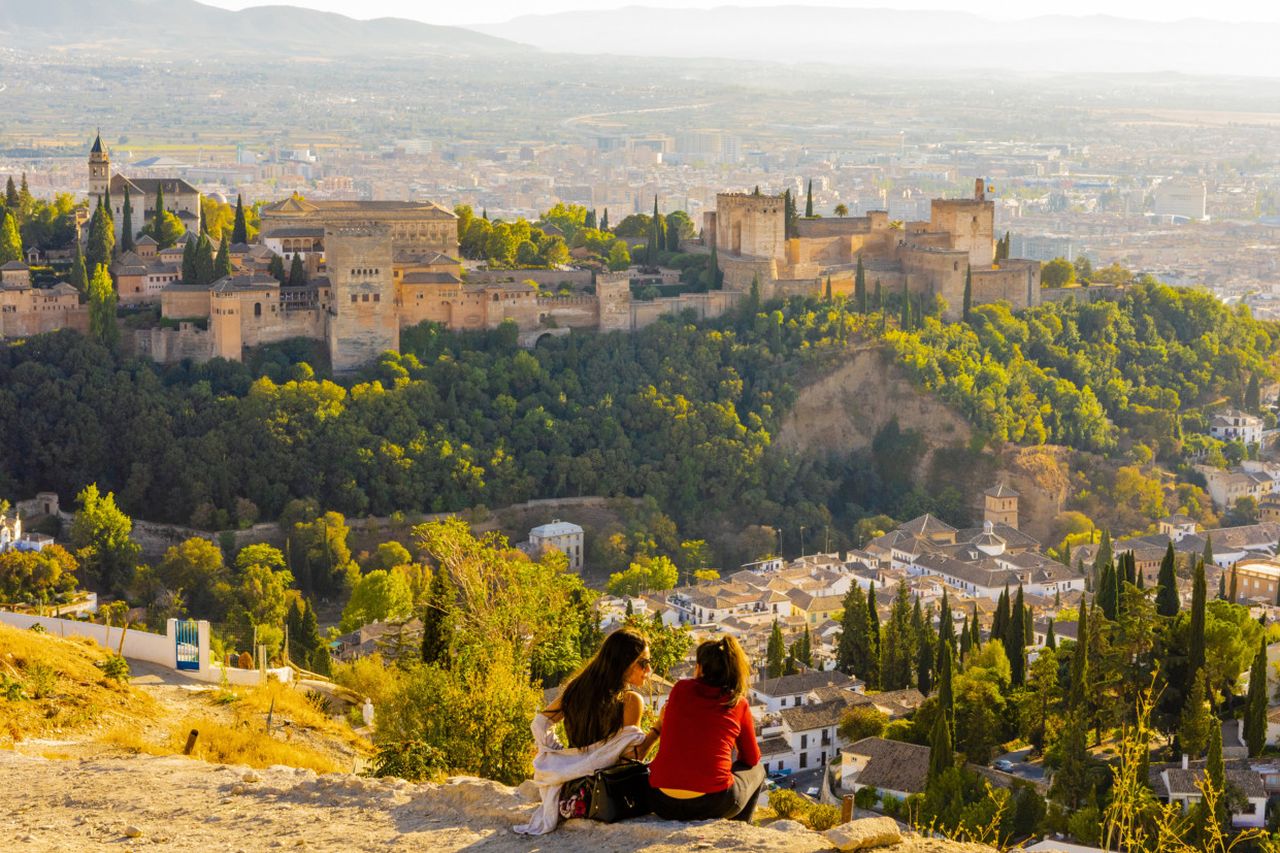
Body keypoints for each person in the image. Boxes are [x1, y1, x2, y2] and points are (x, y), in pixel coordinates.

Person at [514, 628, 658, 835]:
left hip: (570, 794)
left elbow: (540, 723)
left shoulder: (577, 689)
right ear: (624, 663)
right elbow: (631, 757)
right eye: (643, 663)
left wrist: (565, 758)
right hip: (605, 794)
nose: (649, 670)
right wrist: (658, 729)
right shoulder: (630, 700)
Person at [646, 635, 764, 822]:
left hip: (661, 800)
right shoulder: (738, 703)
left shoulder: (679, 689)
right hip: (712, 803)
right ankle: (739, 831)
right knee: (758, 769)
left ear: (700, 668)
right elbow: (751, 758)